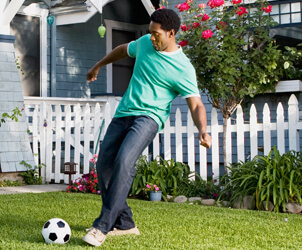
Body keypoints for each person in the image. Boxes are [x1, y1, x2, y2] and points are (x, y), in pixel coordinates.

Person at [81, 9, 211, 247]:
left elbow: (197, 104)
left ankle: (102, 226)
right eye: (150, 33)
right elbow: (123, 50)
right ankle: (126, 224)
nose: (151, 37)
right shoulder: (144, 43)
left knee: (124, 162)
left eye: (156, 34)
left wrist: (202, 129)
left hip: (148, 118)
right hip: (123, 113)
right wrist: (98, 66)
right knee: (104, 166)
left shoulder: (183, 68)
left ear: (171, 33)